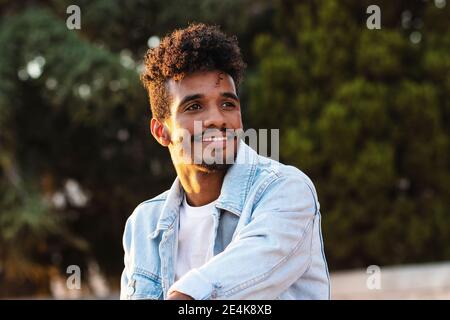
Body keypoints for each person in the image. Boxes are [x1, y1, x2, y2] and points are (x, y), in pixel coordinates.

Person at [120, 23, 330, 300]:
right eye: (194, 107)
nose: (218, 118)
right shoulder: (144, 224)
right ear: (162, 131)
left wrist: (185, 296)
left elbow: (234, 280)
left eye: (228, 104)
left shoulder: (286, 191)